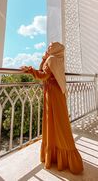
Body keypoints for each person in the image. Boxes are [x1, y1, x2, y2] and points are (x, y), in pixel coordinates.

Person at [21, 42, 83, 174]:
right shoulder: (58, 59)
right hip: (57, 94)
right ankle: (66, 159)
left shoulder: (51, 59)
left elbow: (42, 75)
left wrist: (30, 70)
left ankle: (63, 158)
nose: (48, 48)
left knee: (56, 124)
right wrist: (44, 58)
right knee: (60, 123)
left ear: (54, 49)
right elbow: (44, 71)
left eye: (50, 46)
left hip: (52, 95)